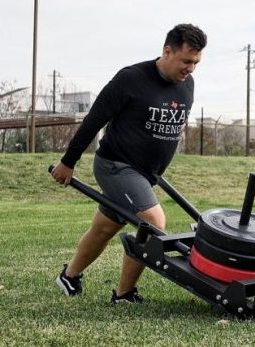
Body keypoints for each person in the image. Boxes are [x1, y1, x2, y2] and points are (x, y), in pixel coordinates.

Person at [50, 24, 207, 303]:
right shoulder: (131, 79)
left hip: (146, 174)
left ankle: (69, 275)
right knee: (153, 221)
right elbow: (94, 120)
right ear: (167, 51)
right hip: (116, 165)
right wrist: (68, 162)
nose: (190, 68)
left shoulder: (188, 86)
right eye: (186, 61)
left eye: (196, 62)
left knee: (105, 228)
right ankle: (124, 294)